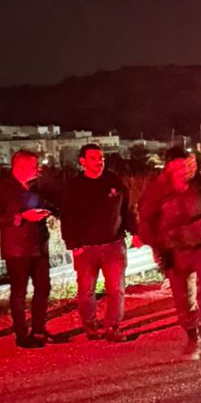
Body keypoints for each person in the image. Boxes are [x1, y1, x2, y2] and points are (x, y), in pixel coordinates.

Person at [137, 148, 201, 359]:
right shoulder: (158, 190)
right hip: (174, 250)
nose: (187, 170)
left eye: (191, 165)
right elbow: (145, 219)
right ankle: (192, 337)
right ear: (169, 167)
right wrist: (157, 247)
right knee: (182, 298)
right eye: (181, 166)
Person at [57, 143, 136, 340]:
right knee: (85, 291)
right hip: (86, 248)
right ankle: (90, 326)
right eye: (93, 159)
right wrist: (73, 245)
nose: (99, 162)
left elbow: (126, 209)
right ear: (83, 162)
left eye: (101, 158)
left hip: (114, 245)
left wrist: (135, 232)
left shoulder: (114, 181)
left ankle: (113, 327)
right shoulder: (74, 187)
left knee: (116, 289)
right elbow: (67, 218)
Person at [0, 150, 56, 348]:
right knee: (19, 292)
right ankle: (21, 335)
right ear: (21, 167)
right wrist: (20, 217)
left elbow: (50, 203)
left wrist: (46, 211)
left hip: (39, 245)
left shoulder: (38, 188)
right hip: (16, 249)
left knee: (43, 288)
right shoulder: (1, 188)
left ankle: (39, 330)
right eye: (35, 166)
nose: (38, 169)